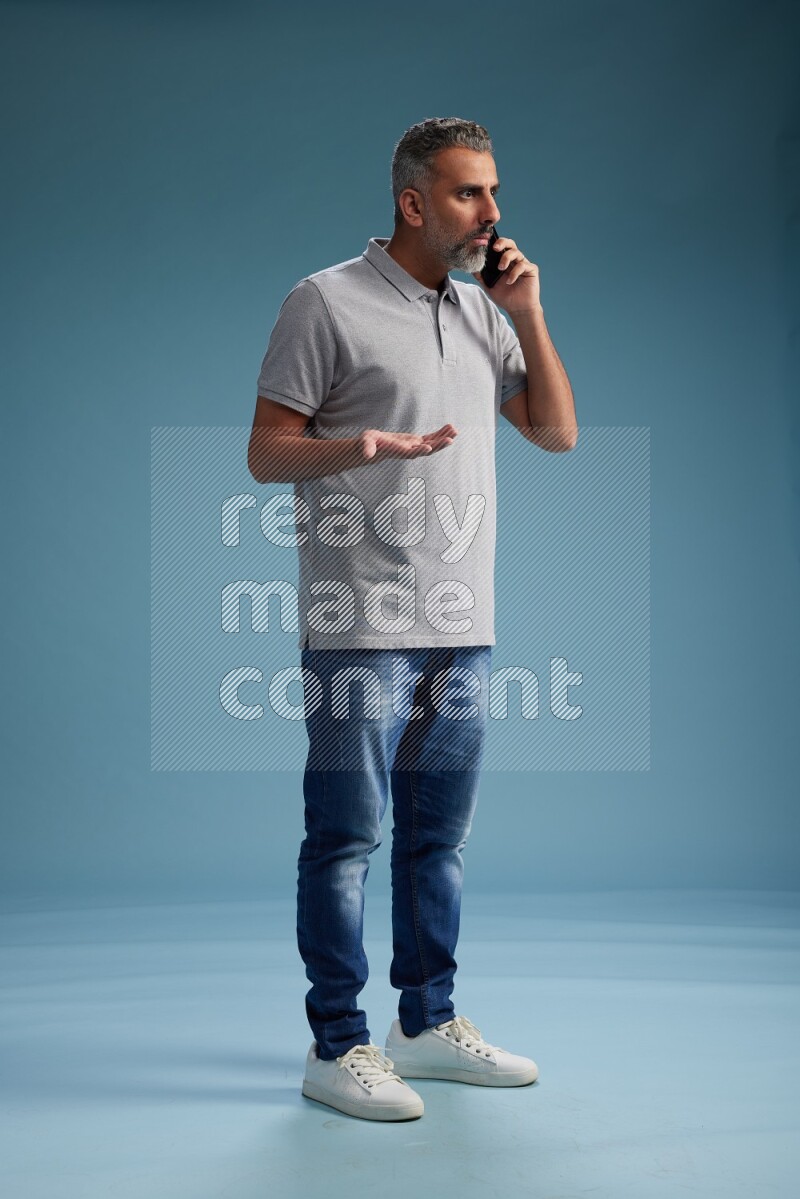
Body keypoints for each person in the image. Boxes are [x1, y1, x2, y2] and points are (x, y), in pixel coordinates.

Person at [248, 117, 577, 1122]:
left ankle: (425, 1024)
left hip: (461, 618)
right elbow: (266, 452)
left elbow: (557, 432)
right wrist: (362, 446)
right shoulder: (323, 301)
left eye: (492, 191)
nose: (492, 212)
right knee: (345, 836)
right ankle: (336, 1042)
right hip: (358, 618)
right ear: (413, 201)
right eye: (471, 193)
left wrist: (527, 313)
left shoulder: (482, 309)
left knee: (438, 838)